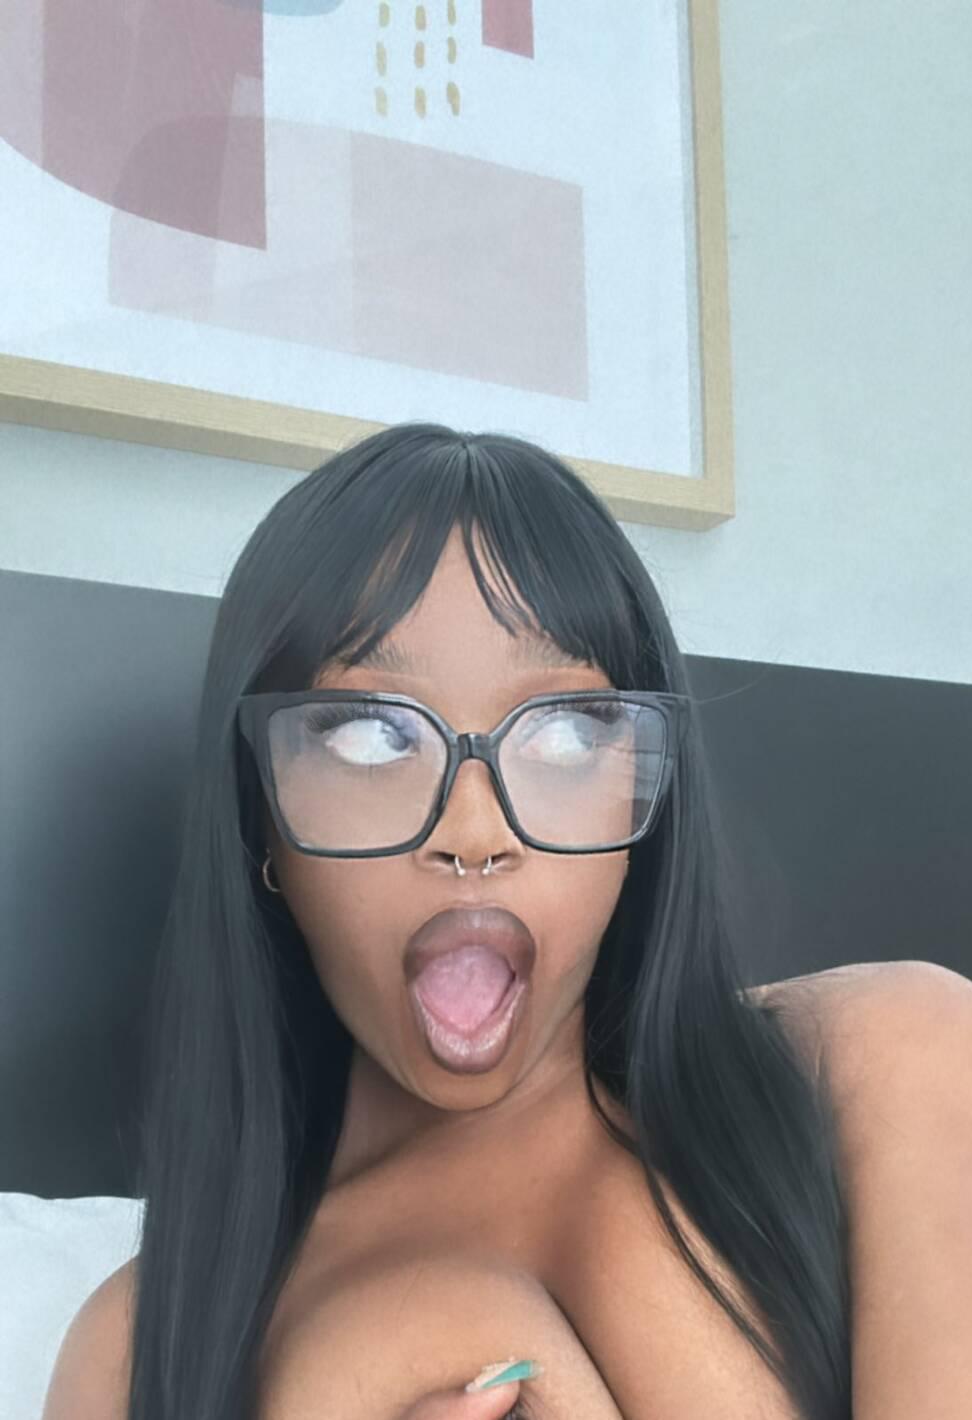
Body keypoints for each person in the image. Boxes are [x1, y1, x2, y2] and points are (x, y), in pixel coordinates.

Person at [42, 425, 851, 1419]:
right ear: (262, 820)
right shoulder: (132, 1350)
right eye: (372, 734)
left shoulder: (876, 1066)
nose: (474, 831)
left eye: (567, 731)